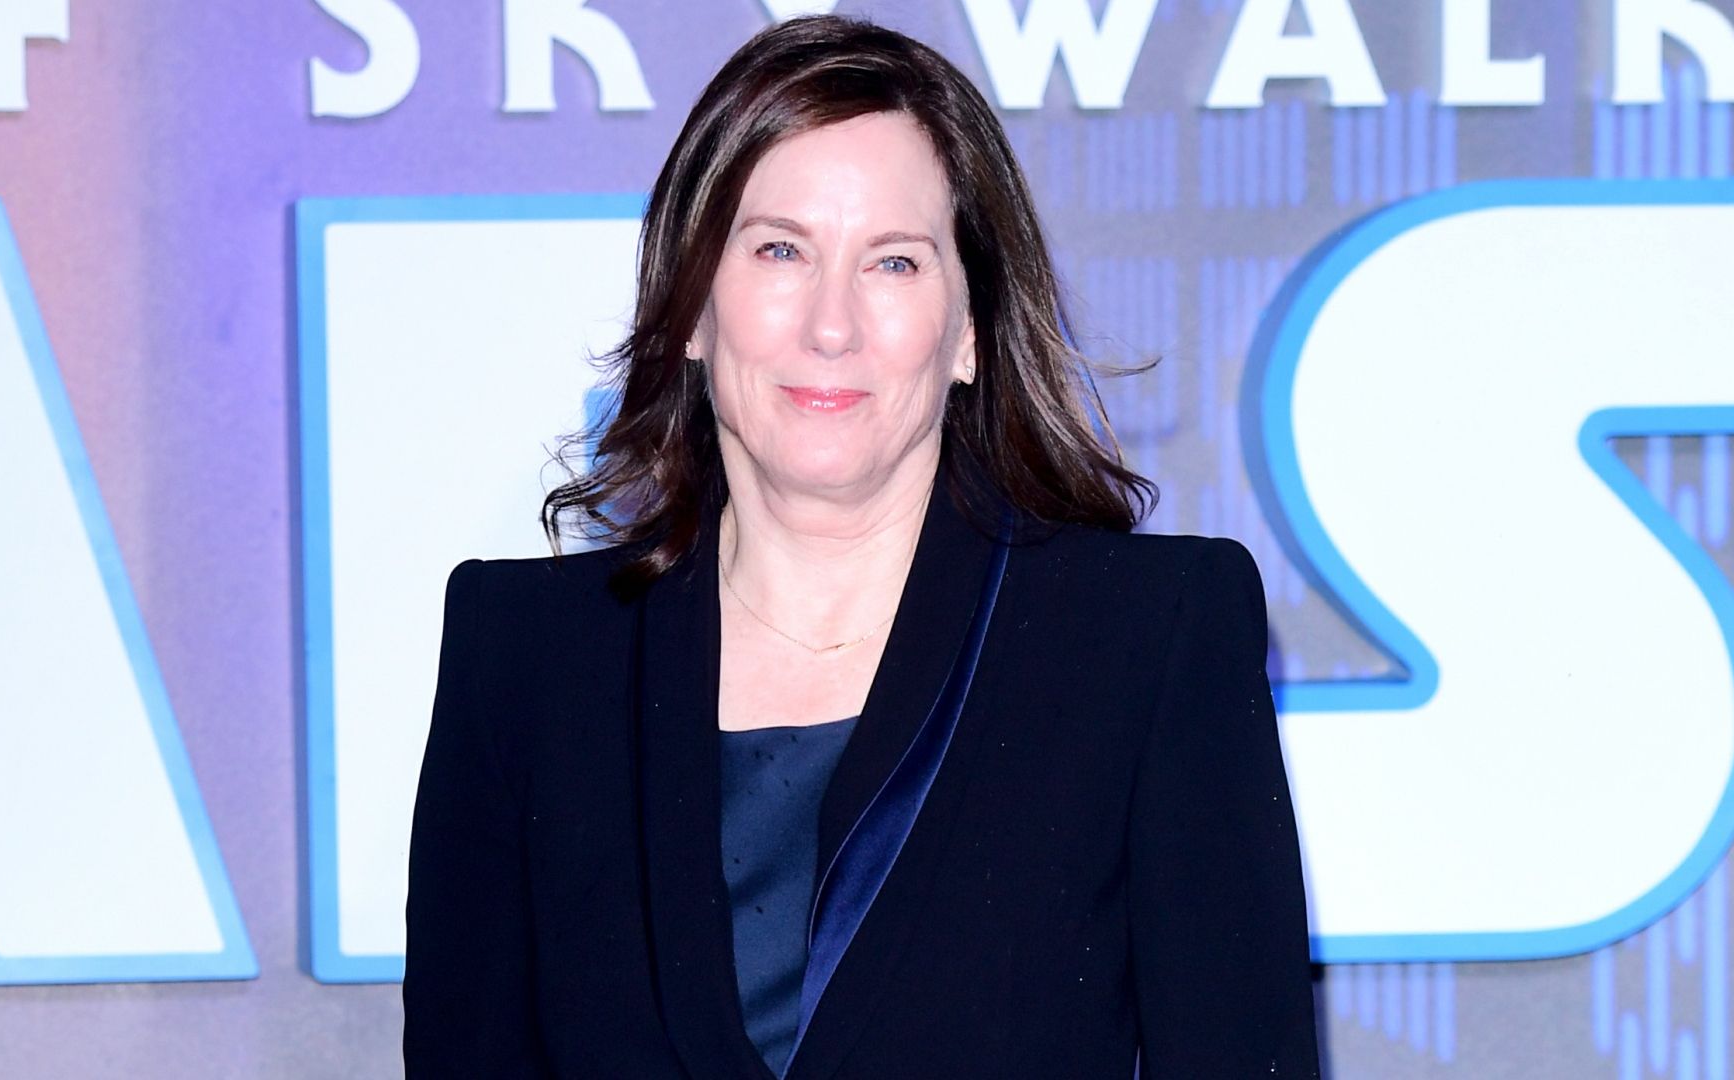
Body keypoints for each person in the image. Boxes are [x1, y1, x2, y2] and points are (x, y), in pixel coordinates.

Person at [403, 14, 1318, 1079]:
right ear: (691, 304)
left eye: (893, 262)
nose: (831, 325)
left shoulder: (1147, 639)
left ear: (970, 329)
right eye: (780, 250)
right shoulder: (523, 659)